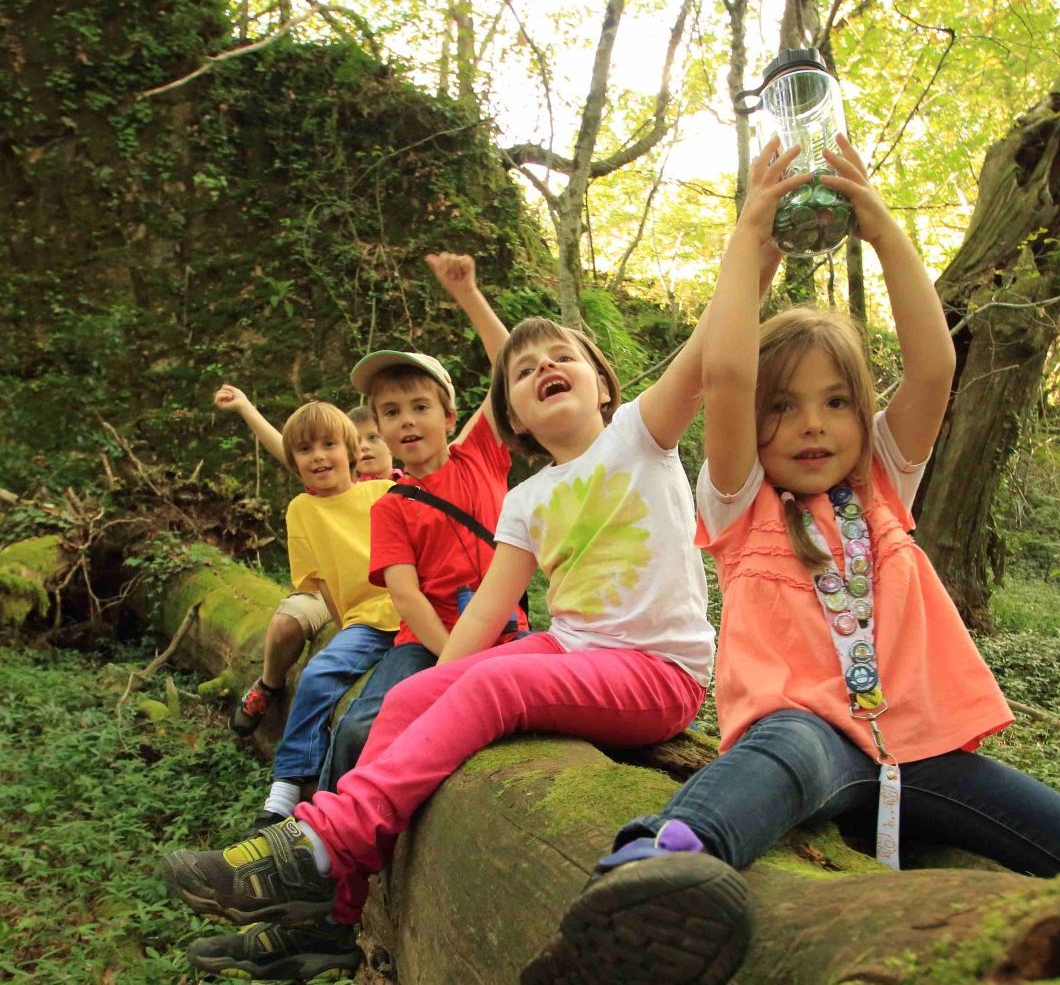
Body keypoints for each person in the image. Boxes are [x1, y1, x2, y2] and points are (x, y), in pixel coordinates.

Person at [521, 137, 1060, 985]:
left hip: (923, 753)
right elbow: (724, 374)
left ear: (862, 415)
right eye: (783, 407)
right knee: (782, 751)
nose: (812, 425)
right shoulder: (740, 500)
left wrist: (882, 229)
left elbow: (934, 366)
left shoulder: (882, 485)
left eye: (834, 402)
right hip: (810, 741)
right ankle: (649, 875)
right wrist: (749, 240)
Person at [162, 262, 736, 980]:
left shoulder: (641, 434)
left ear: (603, 384)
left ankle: (322, 841)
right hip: (570, 649)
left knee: (491, 689)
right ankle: (335, 919)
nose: (544, 366)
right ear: (513, 418)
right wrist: (439, 688)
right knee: (407, 697)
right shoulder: (527, 499)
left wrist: (756, 239)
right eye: (523, 369)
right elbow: (486, 612)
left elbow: (713, 342)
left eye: (561, 355)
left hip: (657, 673)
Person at [315, 252, 527, 793]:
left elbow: (508, 366)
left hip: (507, 633)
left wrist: (468, 295)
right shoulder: (390, 506)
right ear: (378, 430)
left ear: (449, 417)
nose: (406, 420)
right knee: (361, 725)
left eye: (419, 407)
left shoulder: (479, 455)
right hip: (428, 642)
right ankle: (323, 824)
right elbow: (406, 597)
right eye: (391, 412)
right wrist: (451, 661)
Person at [212, 386, 400, 738]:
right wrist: (246, 407)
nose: (366, 446)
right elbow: (289, 449)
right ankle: (269, 684)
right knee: (286, 624)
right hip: (331, 583)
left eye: (374, 438)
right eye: (360, 439)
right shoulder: (324, 488)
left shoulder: (399, 488)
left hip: (385, 592)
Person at [252, 401, 401, 832]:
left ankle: (337, 812)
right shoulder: (302, 510)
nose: (318, 457)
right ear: (294, 460)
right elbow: (322, 583)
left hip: (415, 614)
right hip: (365, 622)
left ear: (351, 451)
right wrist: (347, 627)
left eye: (329, 445)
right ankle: (286, 787)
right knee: (318, 674)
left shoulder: (384, 491)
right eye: (305, 449)